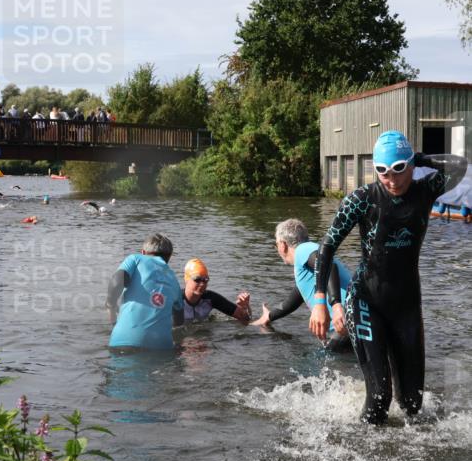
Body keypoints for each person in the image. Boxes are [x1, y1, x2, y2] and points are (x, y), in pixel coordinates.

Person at [310, 130, 468, 425]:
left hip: (406, 303)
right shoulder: (362, 199)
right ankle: (364, 458)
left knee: (412, 404)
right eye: (383, 172)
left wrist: (419, 158)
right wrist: (322, 300)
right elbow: (327, 246)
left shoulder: (427, 189)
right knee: (380, 397)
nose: (392, 180)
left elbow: (459, 164)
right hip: (366, 299)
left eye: (399, 170)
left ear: (410, 166)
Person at [251, 218, 352, 351]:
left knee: (325, 363)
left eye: (276, 245)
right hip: (352, 320)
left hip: (345, 320)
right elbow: (292, 301)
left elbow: (329, 266)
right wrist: (268, 317)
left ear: (282, 245)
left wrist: (335, 305)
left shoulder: (303, 250)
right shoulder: (307, 265)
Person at [106, 233, 183, 350]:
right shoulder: (174, 280)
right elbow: (179, 322)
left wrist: (110, 304)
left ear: (142, 252)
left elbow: (117, 282)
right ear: (169, 257)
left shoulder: (135, 259)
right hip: (161, 348)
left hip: (124, 342)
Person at [175, 258, 251, 325]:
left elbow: (245, 320)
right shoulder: (174, 301)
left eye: (205, 280)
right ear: (186, 279)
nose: (202, 284)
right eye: (197, 279)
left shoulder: (211, 299)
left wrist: (244, 307)